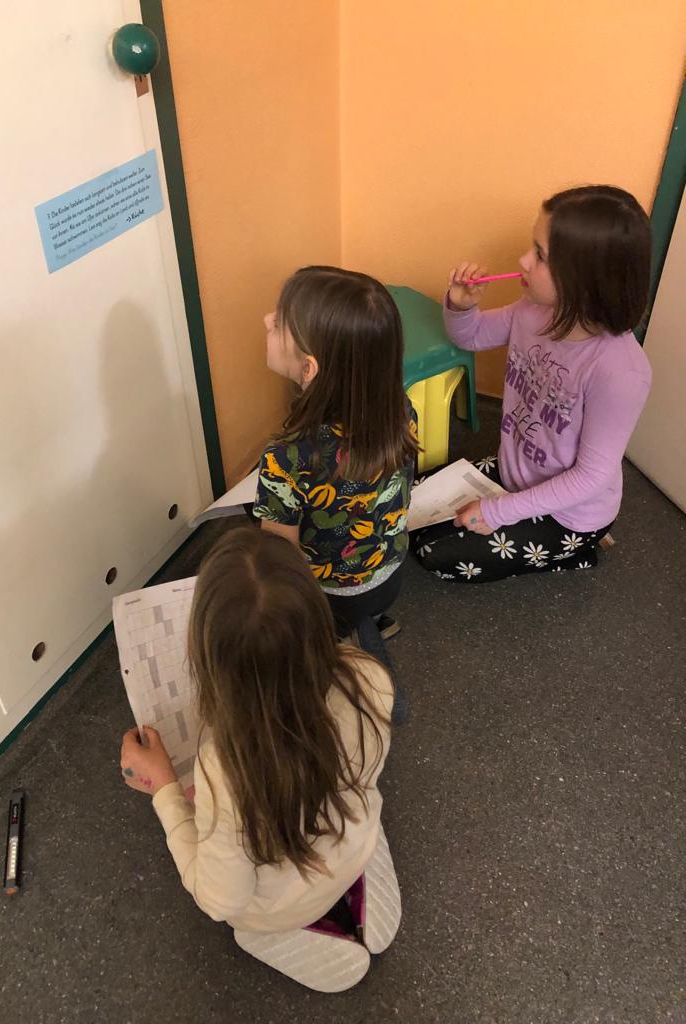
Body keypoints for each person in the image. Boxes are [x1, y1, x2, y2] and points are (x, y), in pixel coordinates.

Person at [119, 526, 400, 992]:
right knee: (347, 817)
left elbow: (219, 900)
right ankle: (354, 885)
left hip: (278, 907)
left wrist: (165, 789)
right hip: (355, 838)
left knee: (243, 917)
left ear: (213, 664)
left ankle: (299, 925)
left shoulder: (224, 769)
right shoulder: (369, 676)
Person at [413, 185, 652, 583]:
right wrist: (462, 306)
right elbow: (470, 337)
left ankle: (579, 553)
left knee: (434, 554)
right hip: (513, 472)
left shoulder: (621, 372)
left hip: (569, 516)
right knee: (410, 503)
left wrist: (497, 512)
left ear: (584, 279)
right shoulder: (535, 310)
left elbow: (591, 477)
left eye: (539, 255)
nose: (523, 261)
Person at [252, 266, 418, 661]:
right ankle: (370, 621)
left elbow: (281, 560)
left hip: (330, 598)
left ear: (308, 368)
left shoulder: (285, 457)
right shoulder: (400, 410)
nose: (267, 320)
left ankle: (332, 642)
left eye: (280, 323)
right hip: (390, 575)